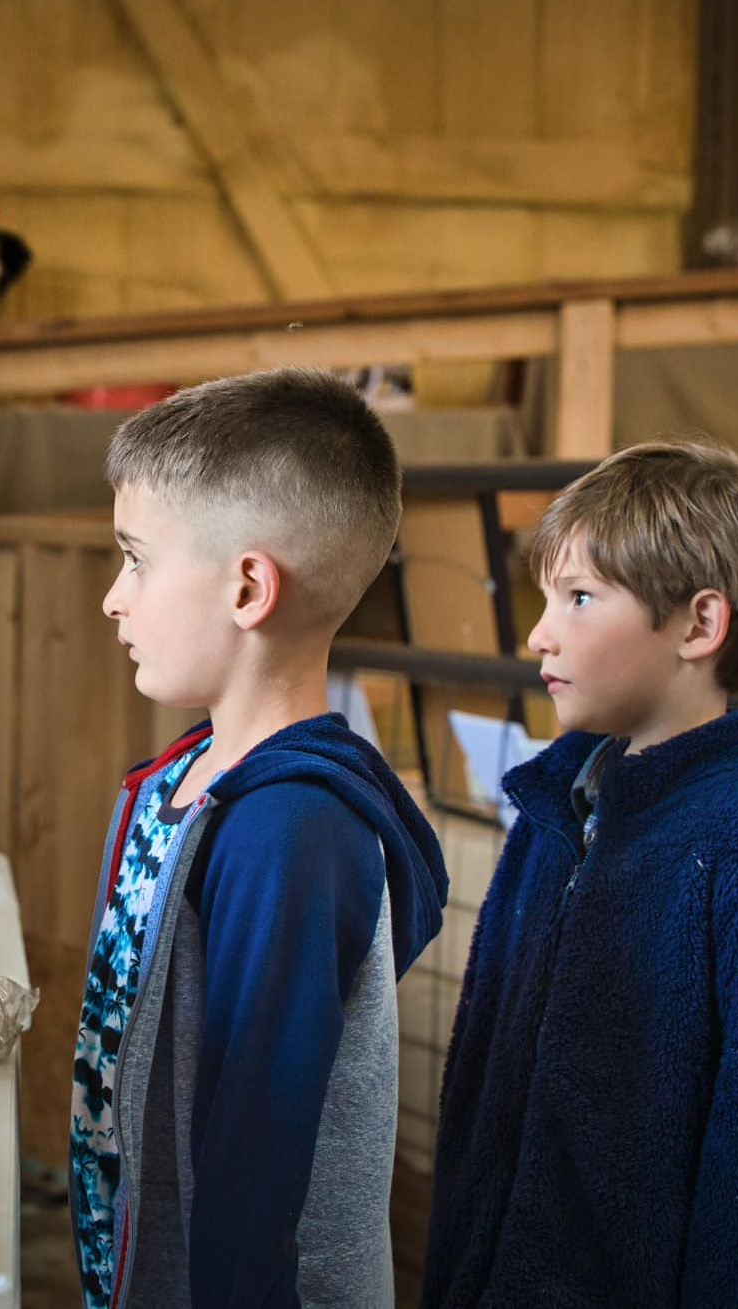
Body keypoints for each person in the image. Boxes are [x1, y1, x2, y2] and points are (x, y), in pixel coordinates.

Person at [421, 442, 738, 1307]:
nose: (540, 632)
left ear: (698, 625)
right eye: (547, 597)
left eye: (578, 598)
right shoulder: (555, 811)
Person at [69, 368, 448, 1308]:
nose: (114, 598)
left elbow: (256, 1142)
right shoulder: (195, 775)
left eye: (136, 559)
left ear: (248, 586)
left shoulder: (291, 832)